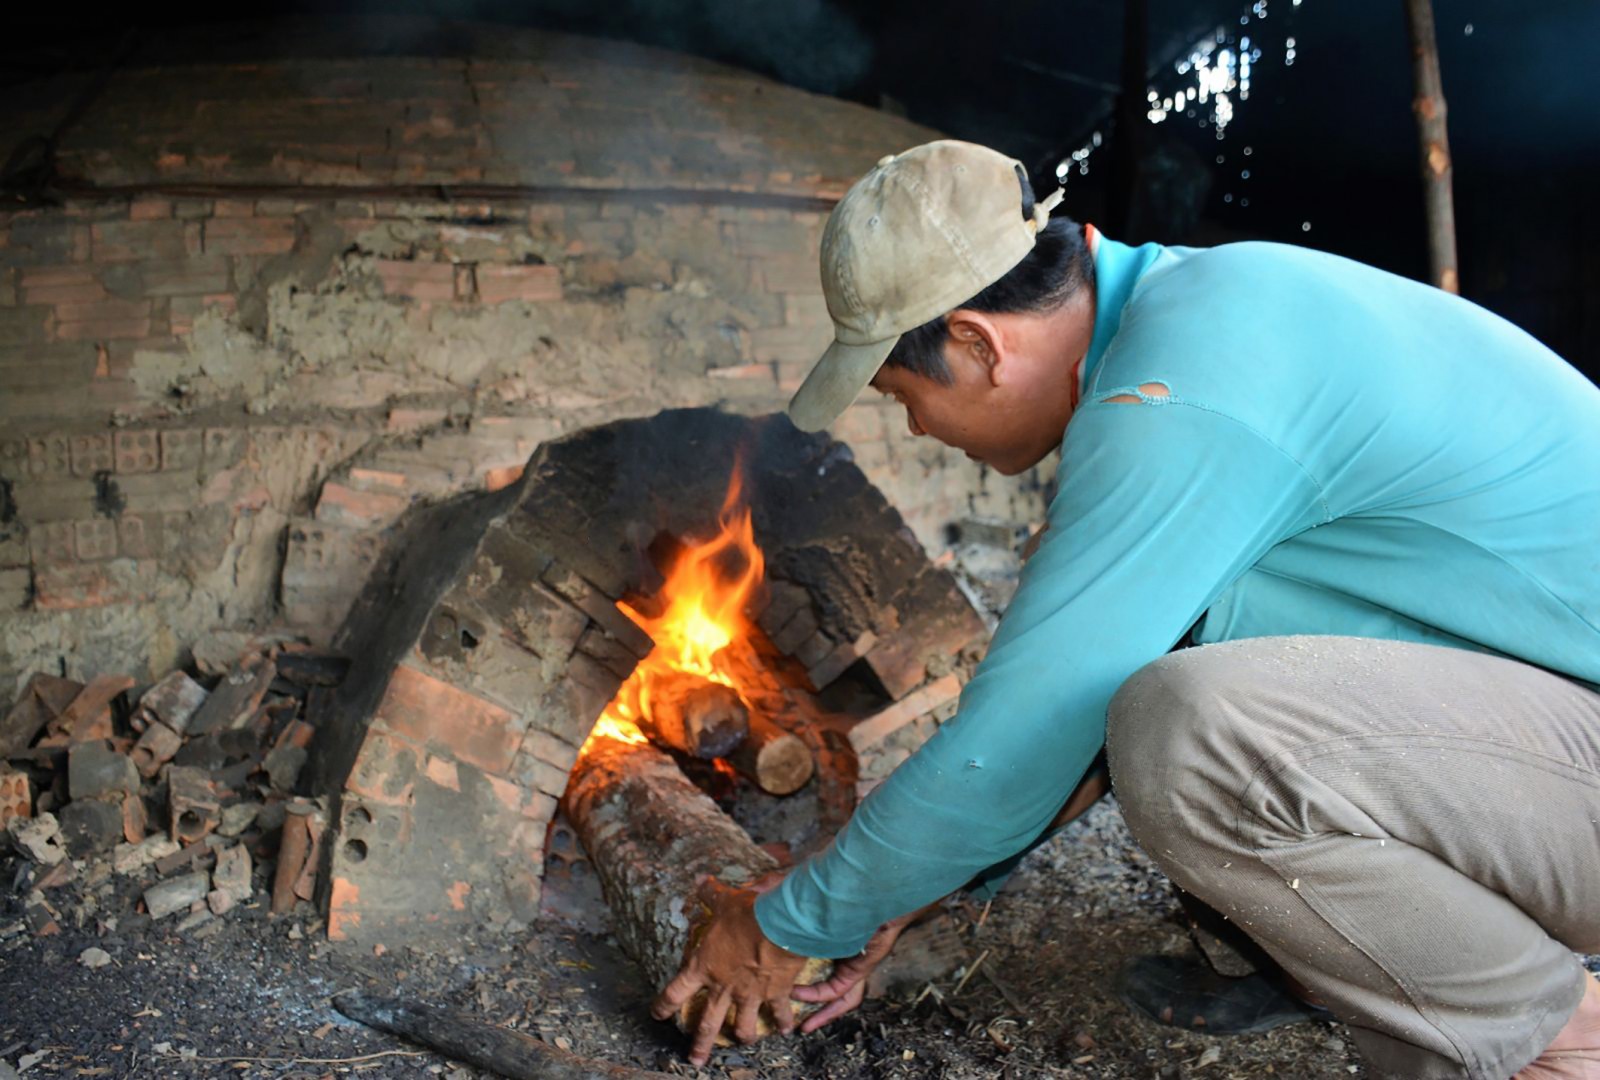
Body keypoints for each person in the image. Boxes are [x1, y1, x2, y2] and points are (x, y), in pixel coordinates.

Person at [649, 139, 1600, 1079]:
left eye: (904, 394)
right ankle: (1392, 987)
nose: (916, 430)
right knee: (1170, 681)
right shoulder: (1193, 317)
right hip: (1548, 739)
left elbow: (1021, 739)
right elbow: (1081, 713)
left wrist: (784, 925)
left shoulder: (1177, 393)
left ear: (980, 345)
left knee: (1193, 733)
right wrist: (904, 893)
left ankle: (1557, 1037)